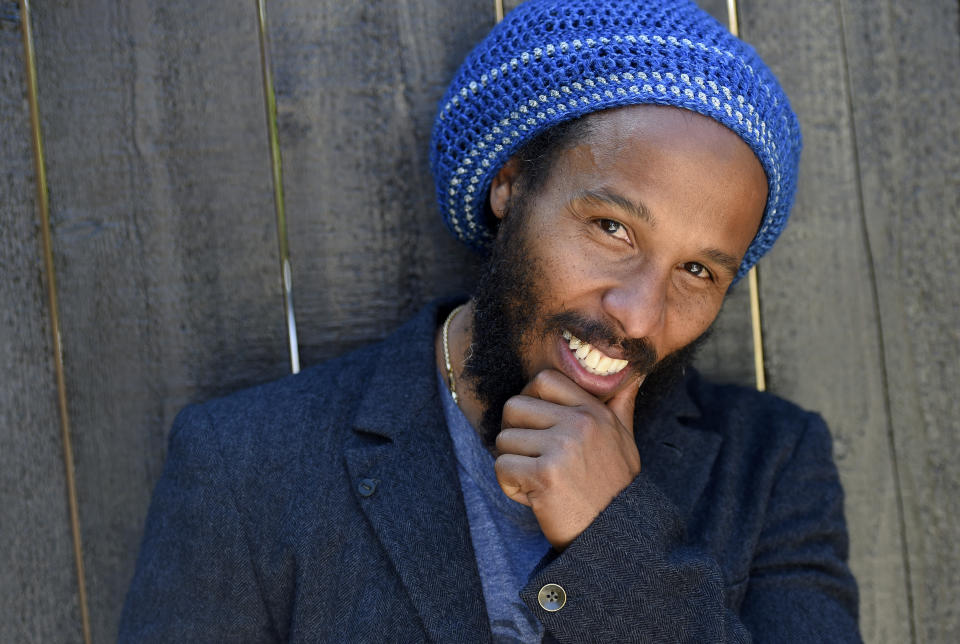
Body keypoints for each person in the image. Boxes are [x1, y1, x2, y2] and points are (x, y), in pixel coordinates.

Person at [120, 0, 860, 641]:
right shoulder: (245, 466)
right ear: (511, 183)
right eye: (611, 228)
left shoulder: (772, 466)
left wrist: (618, 541)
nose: (638, 313)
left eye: (697, 271)